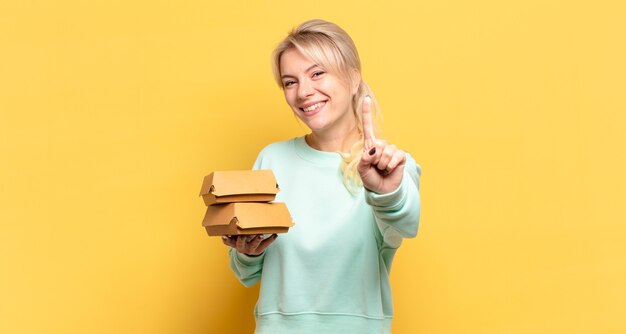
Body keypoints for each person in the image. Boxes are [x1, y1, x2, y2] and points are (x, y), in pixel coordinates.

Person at [221, 19, 421, 334]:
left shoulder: (391, 166)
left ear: (354, 78)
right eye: (290, 82)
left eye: (317, 73)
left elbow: (406, 224)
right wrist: (246, 252)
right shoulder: (271, 159)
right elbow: (247, 273)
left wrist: (387, 192)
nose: (303, 92)